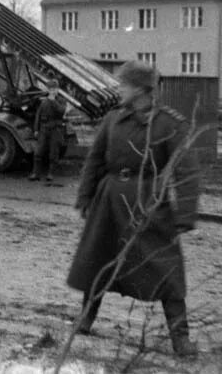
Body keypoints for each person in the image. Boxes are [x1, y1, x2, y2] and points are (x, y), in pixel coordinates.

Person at [67, 60, 200, 357]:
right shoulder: (112, 120)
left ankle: (180, 337)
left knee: (167, 268)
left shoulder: (169, 124)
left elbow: (187, 171)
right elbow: (94, 161)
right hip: (110, 201)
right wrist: (86, 199)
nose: (119, 90)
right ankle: (86, 318)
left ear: (141, 90)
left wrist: (185, 214)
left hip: (149, 205)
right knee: (98, 259)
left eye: (123, 84)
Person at [28, 78, 66, 182]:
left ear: (57, 90)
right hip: (44, 128)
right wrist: (36, 129)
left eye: (54, 89)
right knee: (38, 152)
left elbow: (61, 111)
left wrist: (53, 101)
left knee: (53, 153)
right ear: (48, 90)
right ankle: (36, 173)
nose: (52, 91)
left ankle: (51, 174)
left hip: (55, 129)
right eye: (50, 89)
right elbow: (38, 115)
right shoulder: (43, 101)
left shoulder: (61, 100)